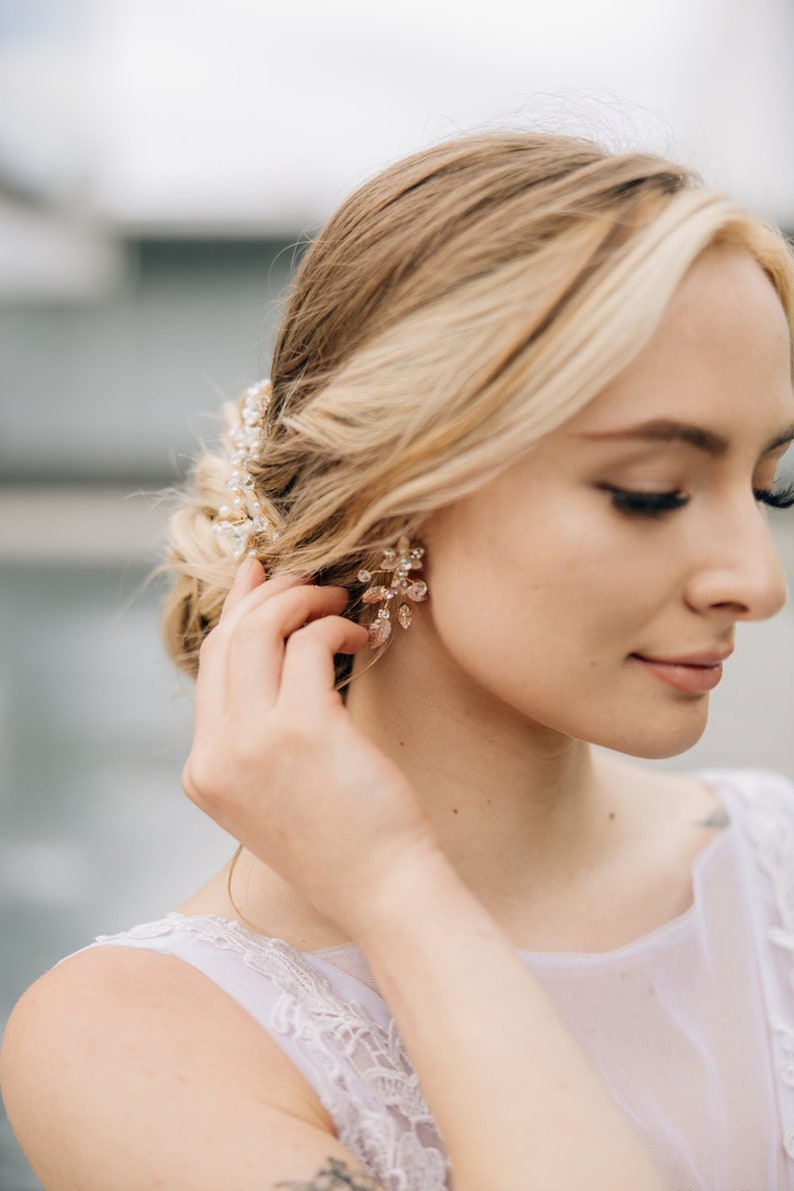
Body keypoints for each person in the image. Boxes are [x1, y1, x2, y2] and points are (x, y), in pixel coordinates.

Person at [2, 131, 794, 1191]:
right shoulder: (134, 1041)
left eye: (769, 486)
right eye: (649, 491)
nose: (756, 580)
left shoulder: (777, 868)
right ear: (390, 491)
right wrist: (398, 895)